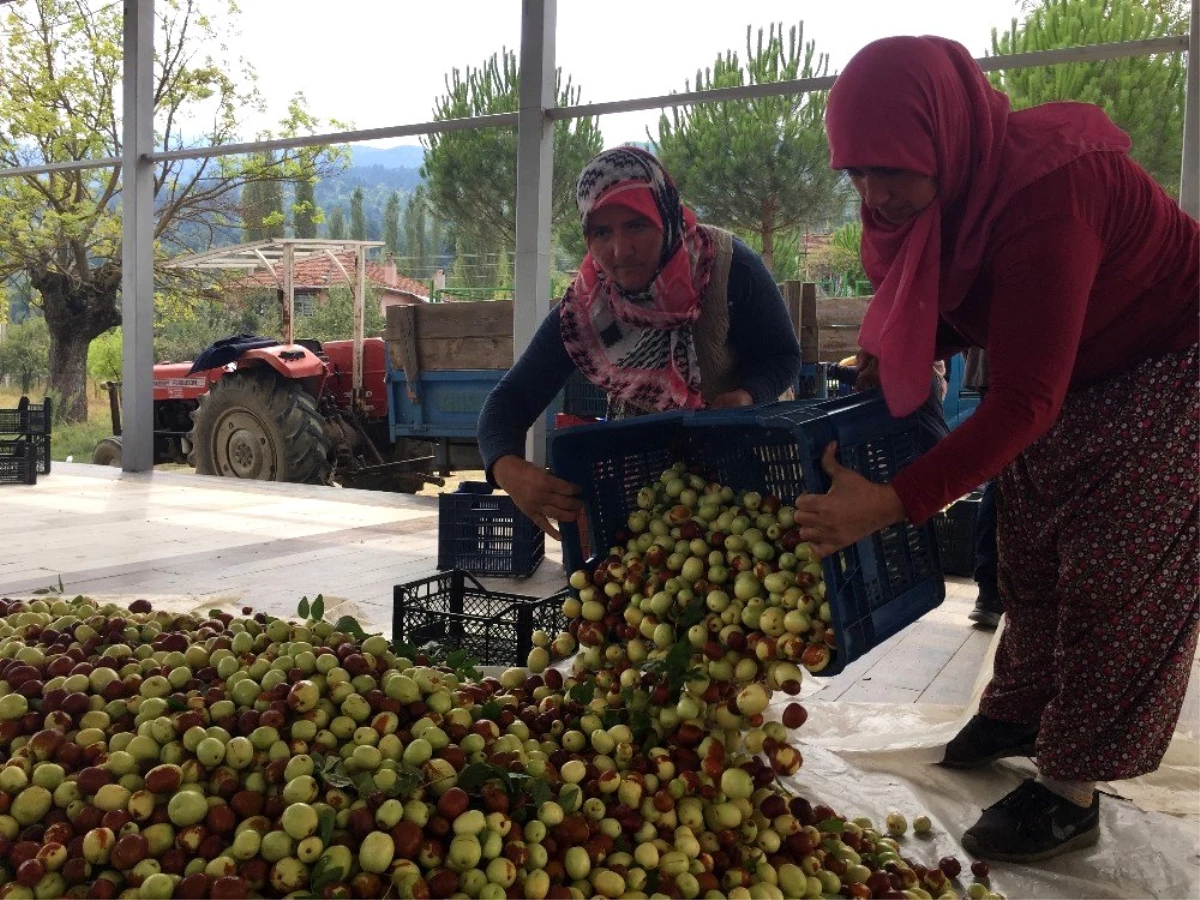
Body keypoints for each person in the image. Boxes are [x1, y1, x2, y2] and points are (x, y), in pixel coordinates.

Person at [793, 35, 1200, 864]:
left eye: (894, 170)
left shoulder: (1049, 195)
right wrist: (905, 347)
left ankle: (1070, 787)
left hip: (1172, 358)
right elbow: (964, 298)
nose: (875, 196)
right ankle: (1021, 706)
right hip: (1077, 367)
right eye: (856, 174)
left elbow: (1023, 400)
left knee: (1115, 573)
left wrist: (895, 499)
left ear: (946, 138)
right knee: (1032, 547)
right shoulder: (950, 192)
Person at [477, 146, 802, 537]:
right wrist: (508, 470)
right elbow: (509, 399)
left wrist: (747, 395)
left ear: (665, 215)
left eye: (636, 225)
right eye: (601, 232)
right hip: (644, 495)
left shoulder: (729, 267)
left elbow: (782, 357)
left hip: (747, 485)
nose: (620, 250)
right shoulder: (588, 308)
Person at [962, 347, 1001, 629]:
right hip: (1010, 369)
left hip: (989, 367)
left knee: (1001, 481)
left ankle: (990, 594)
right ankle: (991, 593)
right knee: (1004, 483)